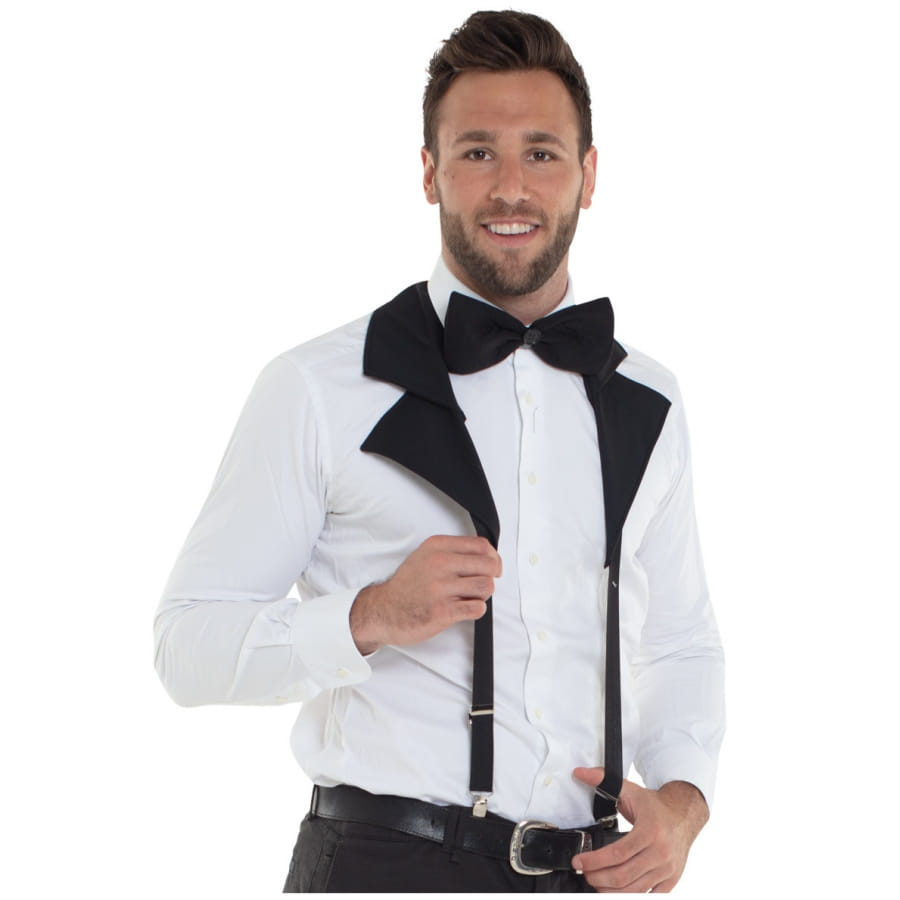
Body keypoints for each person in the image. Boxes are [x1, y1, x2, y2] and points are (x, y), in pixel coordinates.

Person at [154, 10, 725, 893]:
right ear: (430, 171)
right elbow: (187, 645)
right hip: (383, 865)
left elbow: (680, 640)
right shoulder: (318, 387)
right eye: (477, 152)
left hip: (592, 872)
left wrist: (685, 800)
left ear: (588, 175)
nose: (511, 188)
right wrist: (370, 615)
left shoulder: (649, 399)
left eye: (542, 153)